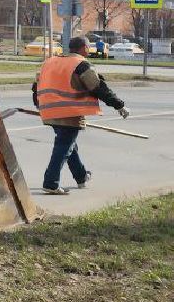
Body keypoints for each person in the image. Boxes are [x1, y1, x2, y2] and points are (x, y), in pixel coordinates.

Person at [31, 36, 130, 195]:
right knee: (64, 147)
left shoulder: (50, 62)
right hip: (69, 112)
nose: (89, 49)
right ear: (83, 47)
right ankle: (51, 182)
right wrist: (119, 105)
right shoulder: (81, 65)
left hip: (49, 110)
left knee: (69, 145)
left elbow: (37, 86)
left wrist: (39, 105)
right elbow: (98, 87)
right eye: (88, 46)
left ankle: (81, 176)